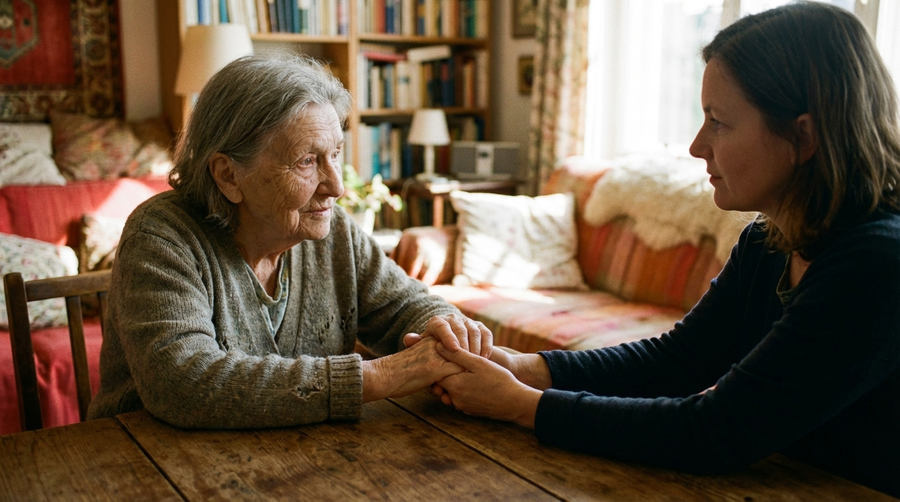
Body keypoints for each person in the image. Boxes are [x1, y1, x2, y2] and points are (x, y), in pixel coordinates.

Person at [433, 3, 900, 497]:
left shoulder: (877, 263)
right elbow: (677, 361)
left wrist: (519, 404)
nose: (698, 145)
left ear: (803, 135)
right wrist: (523, 367)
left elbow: (717, 430)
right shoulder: (768, 240)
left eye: (718, 121)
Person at [87, 54, 491, 429]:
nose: (336, 187)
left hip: (289, 455)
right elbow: (182, 382)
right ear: (228, 175)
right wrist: (386, 375)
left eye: (335, 154)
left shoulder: (331, 232)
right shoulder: (162, 235)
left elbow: (404, 304)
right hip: (145, 462)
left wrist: (450, 332)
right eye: (306, 161)